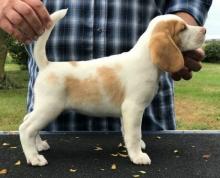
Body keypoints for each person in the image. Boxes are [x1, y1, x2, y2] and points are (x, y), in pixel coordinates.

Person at [0, 0, 212, 131]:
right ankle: (29, 135)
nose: (201, 31)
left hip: (152, 123)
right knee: (42, 114)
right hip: (57, 92)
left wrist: (181, 24)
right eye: (182, 29)